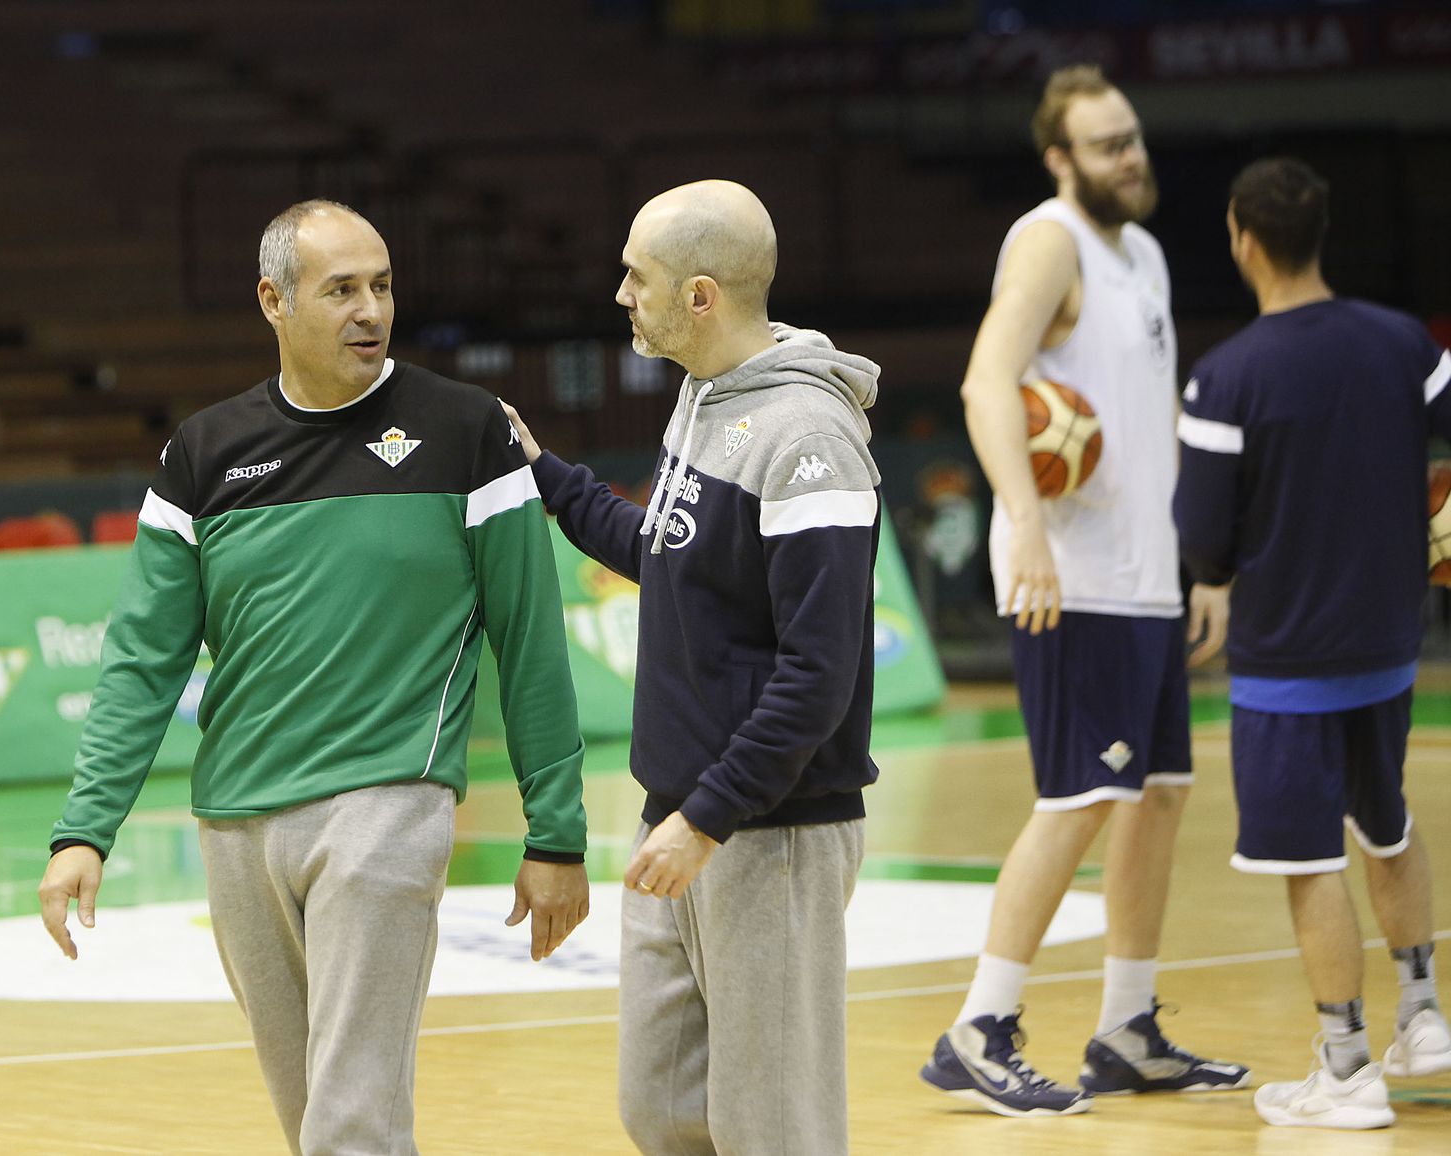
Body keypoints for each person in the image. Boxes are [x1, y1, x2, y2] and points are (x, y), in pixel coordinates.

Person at [37, 199, 590, 1156]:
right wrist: (86, 827)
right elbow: (141, 659)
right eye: (341, 290)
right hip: (237, 823)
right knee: (311, 1119)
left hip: (389, 805)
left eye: (381, 286)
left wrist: (558, 833)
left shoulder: (466, 433)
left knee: (352, 1120)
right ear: (273, 300)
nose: (370, 309)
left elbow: (531, 640)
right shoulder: (202, 455)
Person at [503, 179, 878, 1156]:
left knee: (773, 1126)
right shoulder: (704, 397)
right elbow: (670, 556)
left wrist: (708, 818)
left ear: (700, 295)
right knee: (664, 1107)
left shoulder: (808, 441)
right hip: (680, 810)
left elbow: (819, 671)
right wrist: (548, 478)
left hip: (766, 829)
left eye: (639, 276)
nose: (622, 293)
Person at [918, 64, 1249, 1117]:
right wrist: (1025, 525)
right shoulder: (1048, 239)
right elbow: (984, 382)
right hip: (1074, 582)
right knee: (1078, 800)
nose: (1131, 157)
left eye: (1133, 138)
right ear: (1059, 158)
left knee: (1156, 796)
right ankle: (980, 1025)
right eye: (1106, 144)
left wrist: (1198, 565)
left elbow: (1149, 433)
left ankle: (1126, 1026)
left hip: (1147, 577)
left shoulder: (1141, 252)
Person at [1174, 157, 1451, 1130]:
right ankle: (1422, 1018)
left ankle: (1344, 1069)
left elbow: (1203, 537)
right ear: (1319, 230)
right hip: (1388, 641)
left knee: (1306, 859)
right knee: (1388, 819)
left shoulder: (1224, 378)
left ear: (1241, 237)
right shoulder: (1405, 344)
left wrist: (1211, 577)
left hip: (1287, 660)